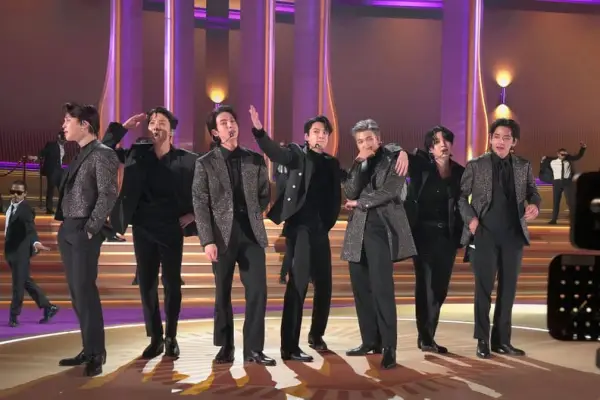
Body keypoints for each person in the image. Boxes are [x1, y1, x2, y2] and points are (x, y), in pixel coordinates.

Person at [102, 108, 198, 359]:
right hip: (143, 227)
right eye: (153, 122)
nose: (155, 126)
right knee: (146, 284)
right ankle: (155, 337)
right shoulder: (137, 154)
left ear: (171, 129)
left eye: (161, 122)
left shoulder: (187, 160)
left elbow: (204, 191)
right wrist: (123, 128)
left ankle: (171, 336)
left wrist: (192, 215)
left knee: (172, 284)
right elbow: (103, 150)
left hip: (171, 228)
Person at [250, 107, 343, 361]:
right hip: (299, 228)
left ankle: (316, 335)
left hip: (320, 230)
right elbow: (274, 152)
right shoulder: (296, 155)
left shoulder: (332, 163)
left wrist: (326, 225)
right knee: (298, 285)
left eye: (324, 133)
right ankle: (289, 346)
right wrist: (259, 131)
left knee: (324, 286)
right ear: (306, 136)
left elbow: (335, 197)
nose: (321, 136)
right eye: (316, 132)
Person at [193, 105, 275, 366]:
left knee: (258, 291)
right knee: (223, 292)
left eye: (232, 121)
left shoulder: (255, 159)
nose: (230, 125)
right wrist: (207, 240)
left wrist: (253, 212)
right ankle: (225, 345)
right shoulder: (205, 163)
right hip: (221, 236)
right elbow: (200, 203)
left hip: (251, 233)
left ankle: (254, 349)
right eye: (223, 123)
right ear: (215, 133)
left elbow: (264, 193)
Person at [459, 118, 541, 359]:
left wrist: (535, 205)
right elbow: (461, 198)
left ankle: (502, 341)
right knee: (483, 290)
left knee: (508, 290)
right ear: (490, 139)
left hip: (513, 236)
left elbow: (533, 192)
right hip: (484, 234)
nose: (500, 141)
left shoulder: (523, 165)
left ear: (514, 142)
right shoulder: (476, 165)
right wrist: (471, 220)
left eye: (506, 138)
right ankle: (482, 341)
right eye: (496, 136)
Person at [342, 119, 414, 369]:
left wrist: (360, 203)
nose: (365, 144)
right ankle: (369, 341)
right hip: (356, 232)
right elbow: (350, 191)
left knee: (383, 289)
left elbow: (390, 191)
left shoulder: (394, 158)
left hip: (381, 230)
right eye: (360, 141)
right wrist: (357, 164)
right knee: (361, 289)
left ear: (379, 139)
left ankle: (389, 346)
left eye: (369, 139)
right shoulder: (358, 163)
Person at [55, 102, 119, 377]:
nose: (63, 125)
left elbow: (108, 194)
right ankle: (88, 347)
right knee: (77, 293)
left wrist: (91, 229)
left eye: (68, 120)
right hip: (69, 229)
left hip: (84, 230)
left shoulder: (103, 154)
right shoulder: (82, 153)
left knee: (86, 292)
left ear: (85, 125)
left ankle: (96, 353)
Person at [403, 126, 465, 353]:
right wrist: (402, 153)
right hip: (423, 236)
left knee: (440, 288)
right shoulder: (421, 167)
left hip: (447, 237)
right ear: (430, 148)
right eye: (437, 142)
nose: (443, 145)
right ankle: (426, 337)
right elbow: (396, 153)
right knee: (425, 286)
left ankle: (429, 335)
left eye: (446, 140)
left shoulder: (459, 172)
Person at [4, 180, 57, 327]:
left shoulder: (26, 209)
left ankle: (14, 316)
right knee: (25, 281)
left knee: (18, 285)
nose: (15, 195)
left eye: (19, 192)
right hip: (11, 251)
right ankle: (48, 307)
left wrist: (35, 242)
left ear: (25, 194)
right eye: (12, 192)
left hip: (20, 253)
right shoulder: (9, 206)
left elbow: (30, 229)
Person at [539, 143, 586, 224]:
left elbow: (578, 156)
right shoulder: (552, 161)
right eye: (562, 154)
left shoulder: (568, 160)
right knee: (556, 201)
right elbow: (543, 168)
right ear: (558, 154)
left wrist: (583, 148)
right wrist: (542, 161)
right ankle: (554, 220)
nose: (563, 155)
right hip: (557, 182)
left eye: (565, 154)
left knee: (570, 201)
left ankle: (573, 218)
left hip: (567, 182)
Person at [38, 131, 67, 214]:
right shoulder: (51, 145)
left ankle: (62, 209)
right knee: (51, 190)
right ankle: (49, 208)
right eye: (64, 138)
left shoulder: (63, 147)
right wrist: (38, 157)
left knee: (62, 189)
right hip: (52, 170)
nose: (65, 141)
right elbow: (43, 152)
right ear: (59, 137)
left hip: (60, 170)